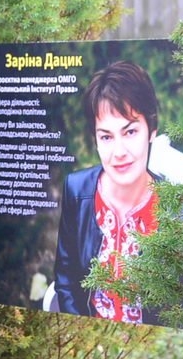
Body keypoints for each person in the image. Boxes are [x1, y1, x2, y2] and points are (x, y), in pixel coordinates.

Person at [51, 59, 169, 323]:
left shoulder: (179, 211)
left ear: (151, 130)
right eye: (106, 136)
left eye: (130, 132)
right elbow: (66, 281)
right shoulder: (77, 191)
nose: (119, 152)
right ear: (95, 139)